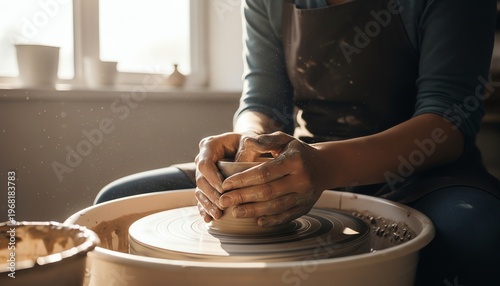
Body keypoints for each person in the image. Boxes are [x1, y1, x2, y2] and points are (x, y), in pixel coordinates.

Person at [95, 0, 500, 284]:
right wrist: (249, 142)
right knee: (121, 198)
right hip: (296, 162)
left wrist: (325, 166)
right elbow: (261, 103)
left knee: (478, 232)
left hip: (425, 175)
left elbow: (449, 119)